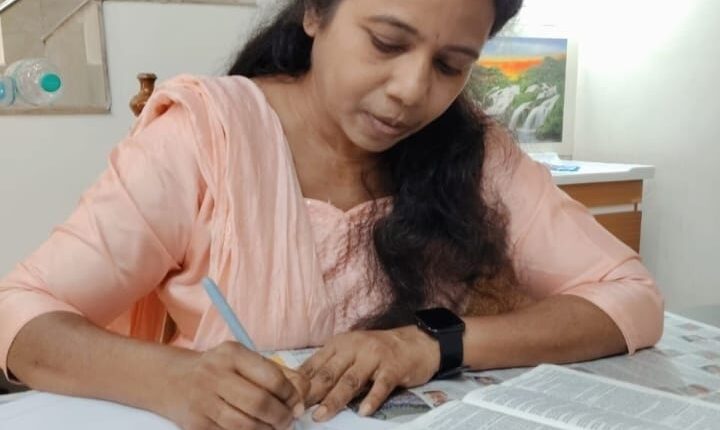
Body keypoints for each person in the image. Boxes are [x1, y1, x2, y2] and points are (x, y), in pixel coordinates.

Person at [0, 0, 664, 429]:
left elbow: (629, 296)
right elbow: (20, 313)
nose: (411, 91)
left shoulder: (471, 150)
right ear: (316, 13)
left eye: (449, 66)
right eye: (386, 43)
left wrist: (429, 344)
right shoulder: (205, 137)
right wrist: (175, 379)